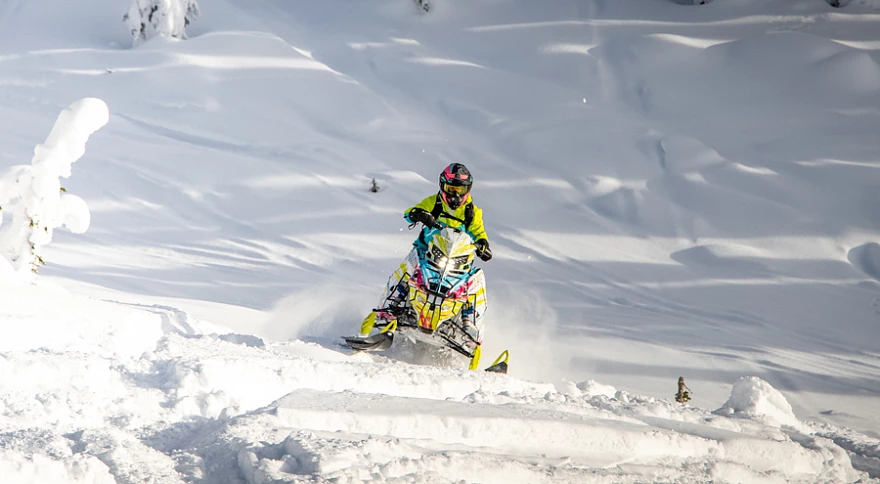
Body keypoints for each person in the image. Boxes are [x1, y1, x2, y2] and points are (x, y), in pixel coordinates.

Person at [359, 163, 492, 338]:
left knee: (476, 280)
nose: (455, 195)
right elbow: (410, 213)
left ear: (467, 189)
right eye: (451, 189)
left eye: (460, 189)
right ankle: (387, 310)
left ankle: (470, 328)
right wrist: (420, 214)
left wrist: (483, 245)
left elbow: (478, 231)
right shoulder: (434, 202)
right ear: (442, 186)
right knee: (408, 266)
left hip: (458, 260)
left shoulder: (472, 212)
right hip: (427, 252)